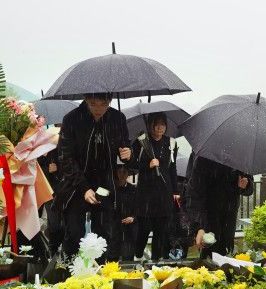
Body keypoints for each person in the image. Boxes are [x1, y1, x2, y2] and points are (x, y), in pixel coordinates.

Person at [53, 94, 131, 260]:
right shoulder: (72, 119)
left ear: (109, 102)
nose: (99, 109)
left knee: (104, 235)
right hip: (76, 183)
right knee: (74, 234)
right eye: (93, 104)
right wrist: (84, 188)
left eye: (104, 104)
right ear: (86, 100)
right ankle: (70, 274)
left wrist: (129, 154)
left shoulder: (118, 118)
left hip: (105, 183)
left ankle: (102, 277)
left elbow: (126, 148)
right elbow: (65, 158)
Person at [185, 153, 253, 258]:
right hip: (208, 215)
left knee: (226, 256)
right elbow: (193, 193)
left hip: (229, 216)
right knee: (209, 259)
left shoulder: (241, 154)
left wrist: (246, 185)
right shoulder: (203, 154)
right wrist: (198, 227)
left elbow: (249, 186)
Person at [130, 113, 178, 261]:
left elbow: (172, 169)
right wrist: (147, 165)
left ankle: (156, 262)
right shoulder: (141, 141)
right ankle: (137, 257)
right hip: (146, 194)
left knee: (160, 231)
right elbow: (131, 165)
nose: (159, 128)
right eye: (156, 124)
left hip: (164, 193)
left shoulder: (171, 143)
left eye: (162, 124)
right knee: (143, 229)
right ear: (150, 125)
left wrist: (175, 191)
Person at [107, 164, 137, 261]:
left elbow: (139, 208)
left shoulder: (134, 190)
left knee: (128, 258)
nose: (122, 175)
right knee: (112, 258)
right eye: (119, 172)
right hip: (114, 230)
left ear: (128, 173)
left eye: (124, 172)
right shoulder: (110, 190)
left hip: (129, 231)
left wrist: (133, 218)